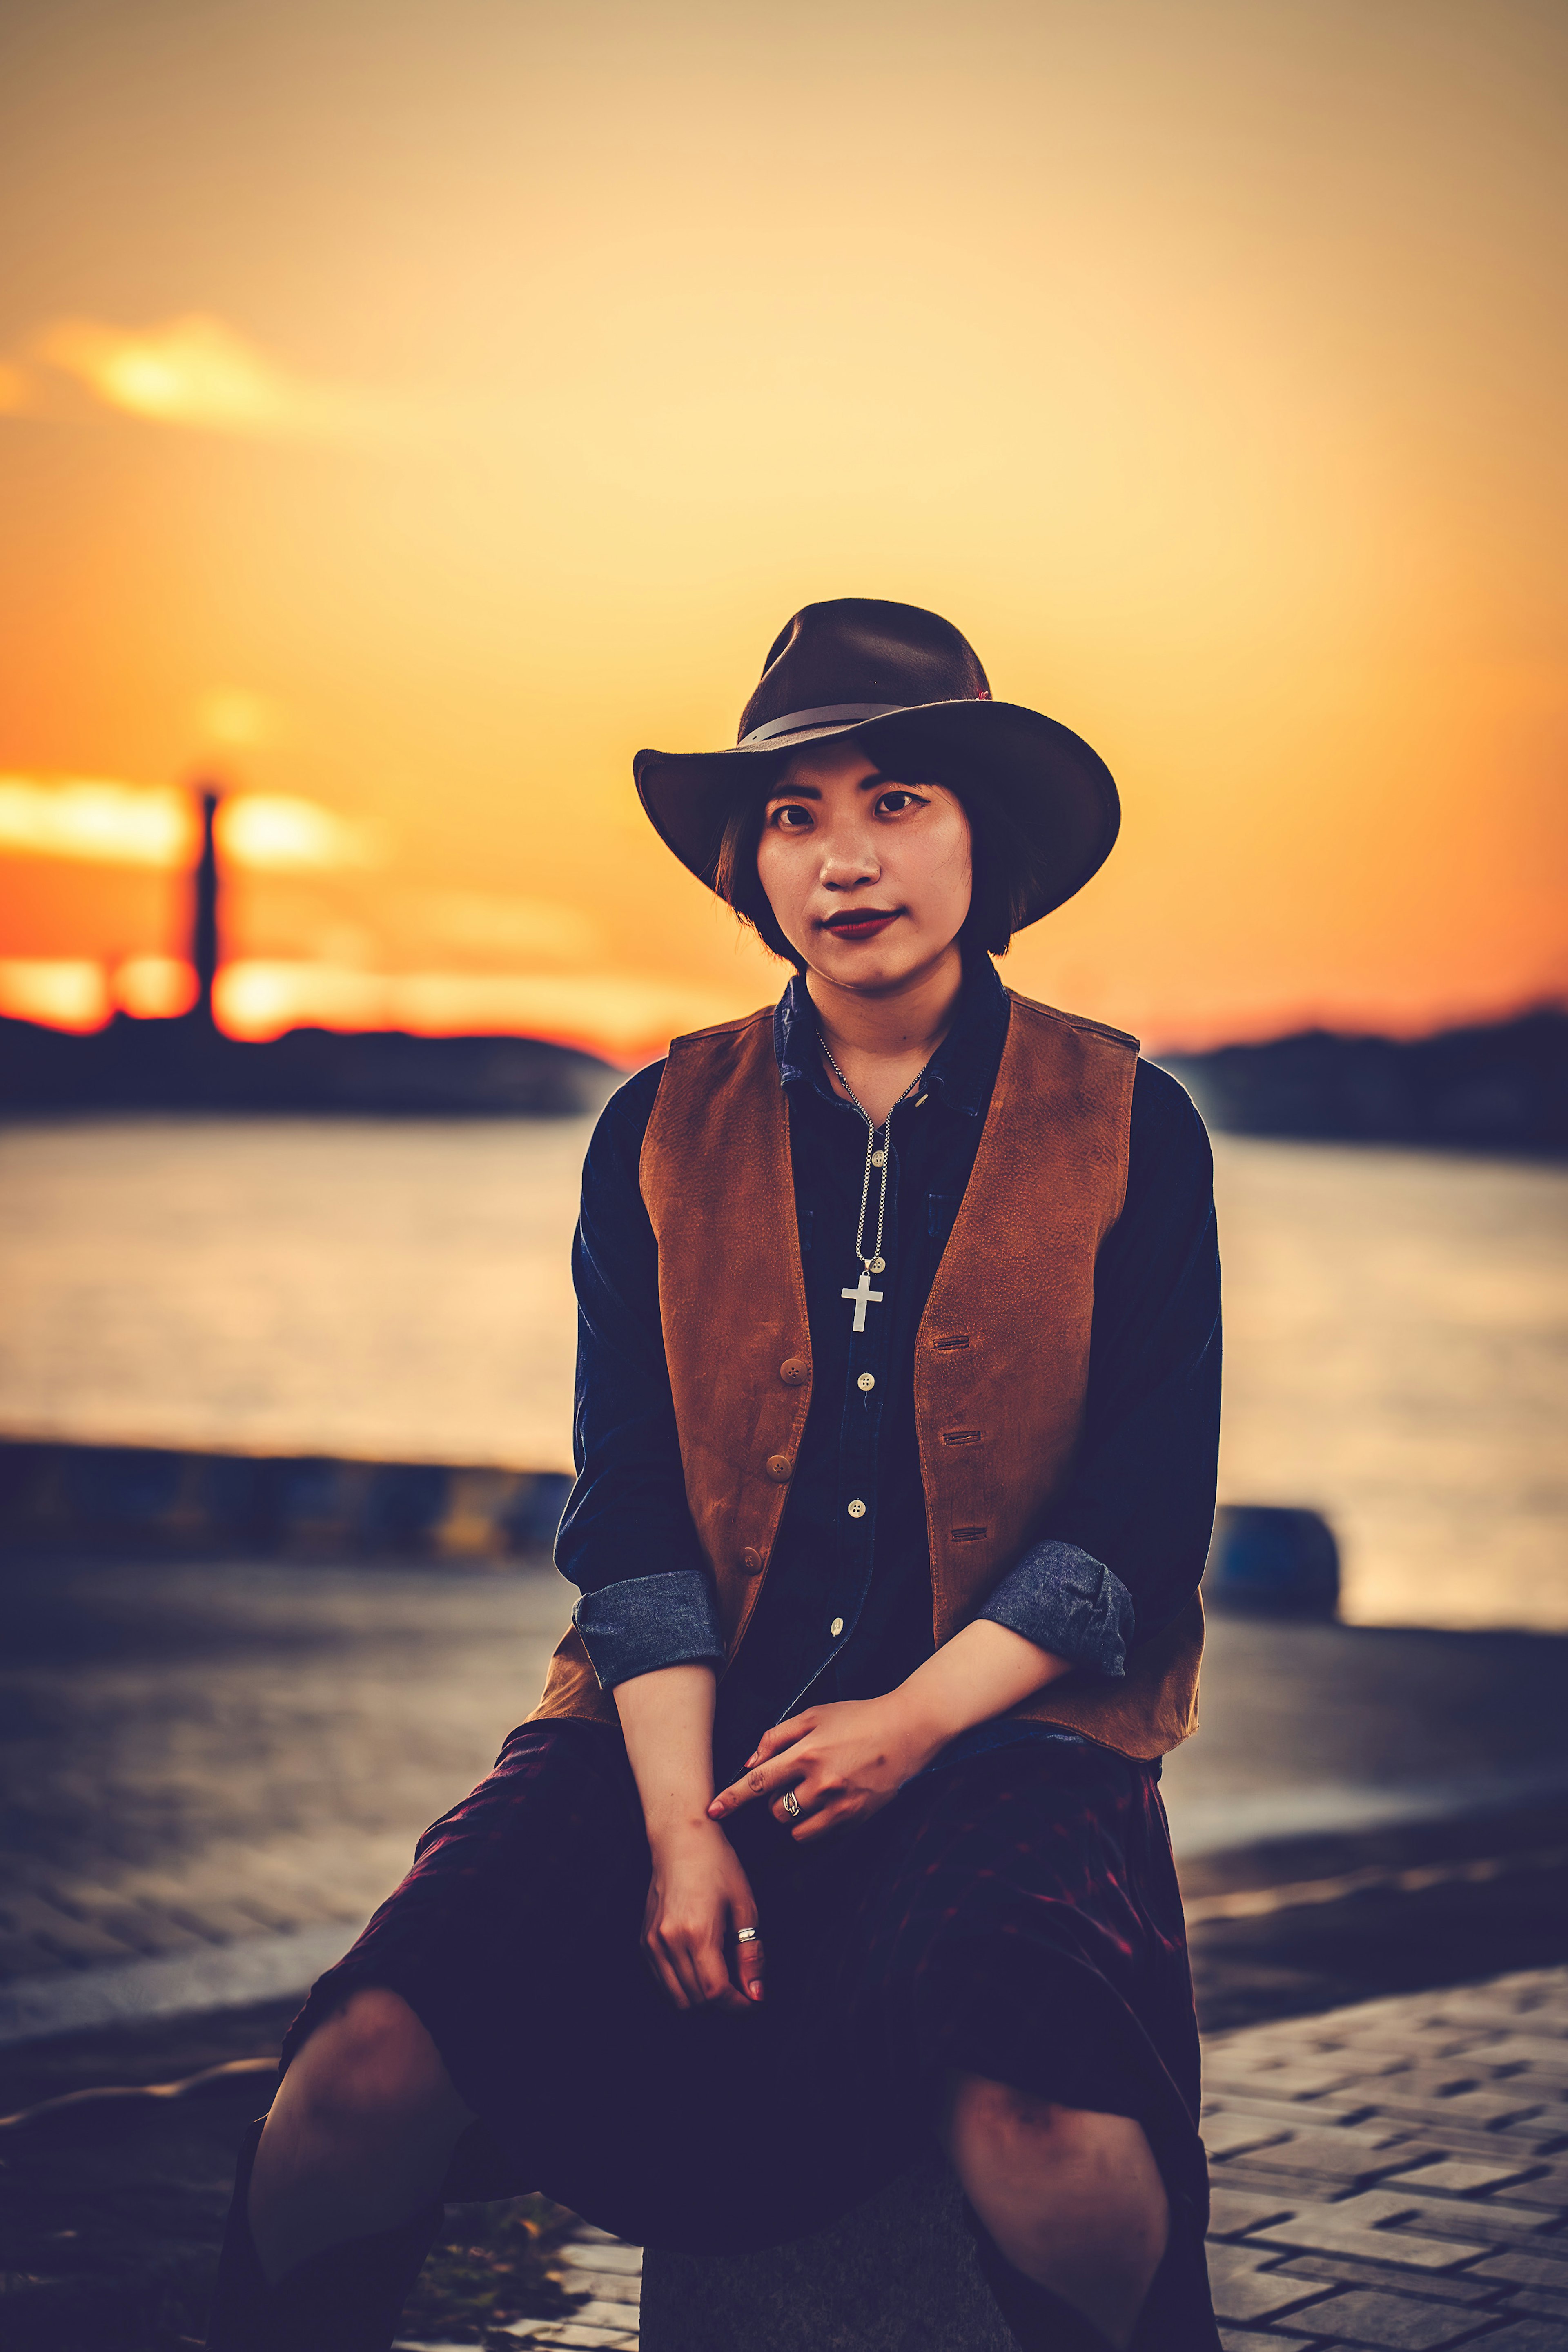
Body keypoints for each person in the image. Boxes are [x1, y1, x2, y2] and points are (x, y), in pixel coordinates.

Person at [206, 598, 1222, 2351]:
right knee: (358, 2065)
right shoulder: (658, 1127)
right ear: (755, 867)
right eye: (794, 815)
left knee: (1051, 2118)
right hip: (672, 1727)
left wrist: (913, 1722)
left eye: (897, 802)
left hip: (1005, 1737)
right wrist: (682, 1828)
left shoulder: (1128, 1121)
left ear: (985, 832)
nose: (846, 859)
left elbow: (1136, 1522)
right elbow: (633, 1513)